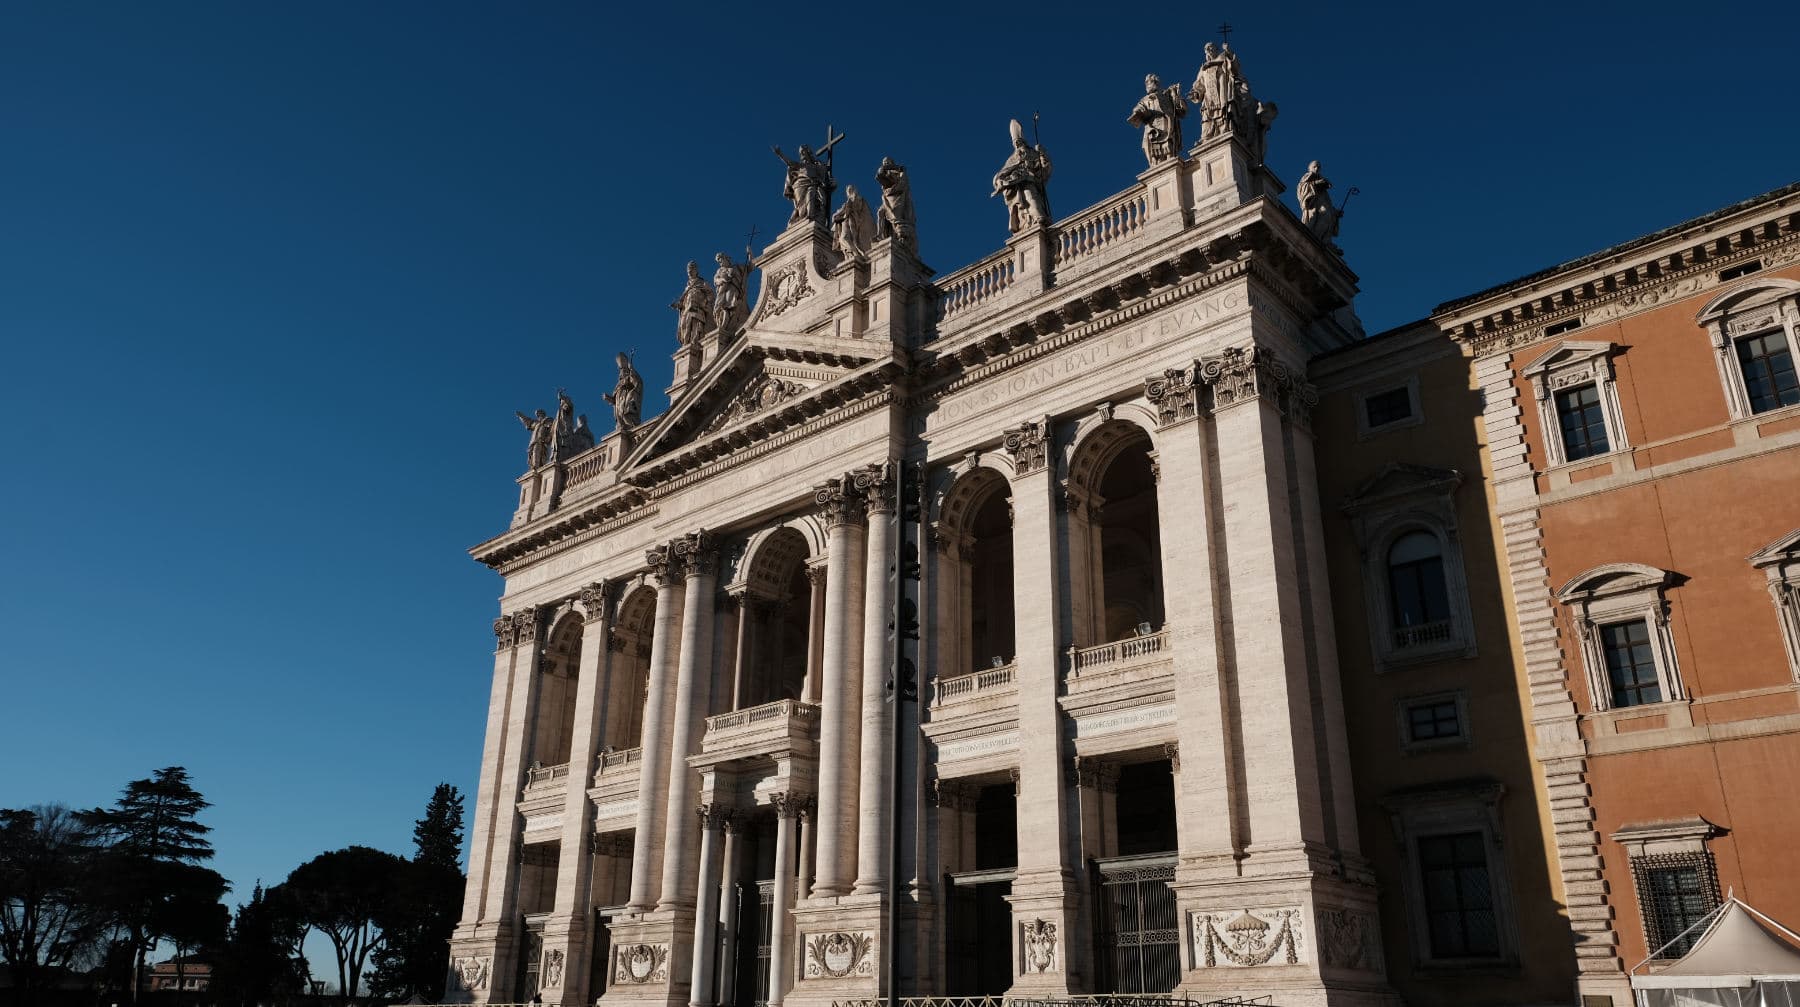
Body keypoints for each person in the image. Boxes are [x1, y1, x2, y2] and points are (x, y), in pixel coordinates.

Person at [992, 119, 1052, 234]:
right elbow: (1003, 173)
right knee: (1028, 199)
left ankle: (1038, 218)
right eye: (1015, 143)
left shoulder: (1033, 153)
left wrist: (1042, 155)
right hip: (1021, 185)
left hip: (1031, 181)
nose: (1017, 145)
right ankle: (1035, 219)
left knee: (1032, 199)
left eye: (1019, 142)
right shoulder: (1013, 158)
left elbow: (1044, 169)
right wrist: (1000, 181)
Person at [1129, 73, 1187, 165]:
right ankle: (1156, 164)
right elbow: (1137, 109)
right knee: (1151, 149)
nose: (1147, 85)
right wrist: (1139, 111)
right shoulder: (1144, 99)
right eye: (1146, 83)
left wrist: (1176, 95)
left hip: (1166, 124)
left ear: (1156, 83)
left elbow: (1181, 110)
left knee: (1167, 147)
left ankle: (1168, 161)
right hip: (1151, 127)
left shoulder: (1166, 94)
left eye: (1149, 82)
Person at [874, 156, 917, 251]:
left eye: (887, 162)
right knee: (880, 212)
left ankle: (897, 236)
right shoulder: (885, 171)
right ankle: (880, 235)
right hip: (887, 197)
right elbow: (879, 177)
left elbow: (902, 185)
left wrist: (892, 184)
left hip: (897, 198)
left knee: (894, 217)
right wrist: (883, 171)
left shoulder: (900, 172)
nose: (885, 164)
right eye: (884, 162)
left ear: (891, 162)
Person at [671, 261, 713, 346]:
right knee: (685, 328)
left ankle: (694, 345)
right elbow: (684, 303)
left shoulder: (703, 283)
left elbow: (711, 295)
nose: (689, 272)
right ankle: (686, 345)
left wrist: (703, 303)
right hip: (687, 311)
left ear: (696, 270)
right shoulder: (687, 287)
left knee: (696, 327)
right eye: (688, 270)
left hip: (697, 309)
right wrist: (678, 305)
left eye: (691, 269)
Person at [831, 184, 874, 261]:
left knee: (845, 238)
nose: (848, 191)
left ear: (854, 190)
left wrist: (837, 214)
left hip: (850, 221)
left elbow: (847, 210)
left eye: (850, 189)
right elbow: (842, 211)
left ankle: (855, 254)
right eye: (848, 190)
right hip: (847, 222)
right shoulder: (849, 201)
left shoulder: (856, 199)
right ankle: (853, 255)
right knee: (847, 239)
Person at [605, 352, 643, 430]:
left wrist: (631, 375)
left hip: (626, 400)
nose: (620, 363)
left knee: (626, 416)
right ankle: (622, 426)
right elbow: (614, 400)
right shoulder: (619, 385)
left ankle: (629, 426)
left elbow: (638, 383)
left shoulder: (631, 373)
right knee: (620, 416)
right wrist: (609, 398)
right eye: (619, 362)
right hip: (619, 402)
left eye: (622, 361)